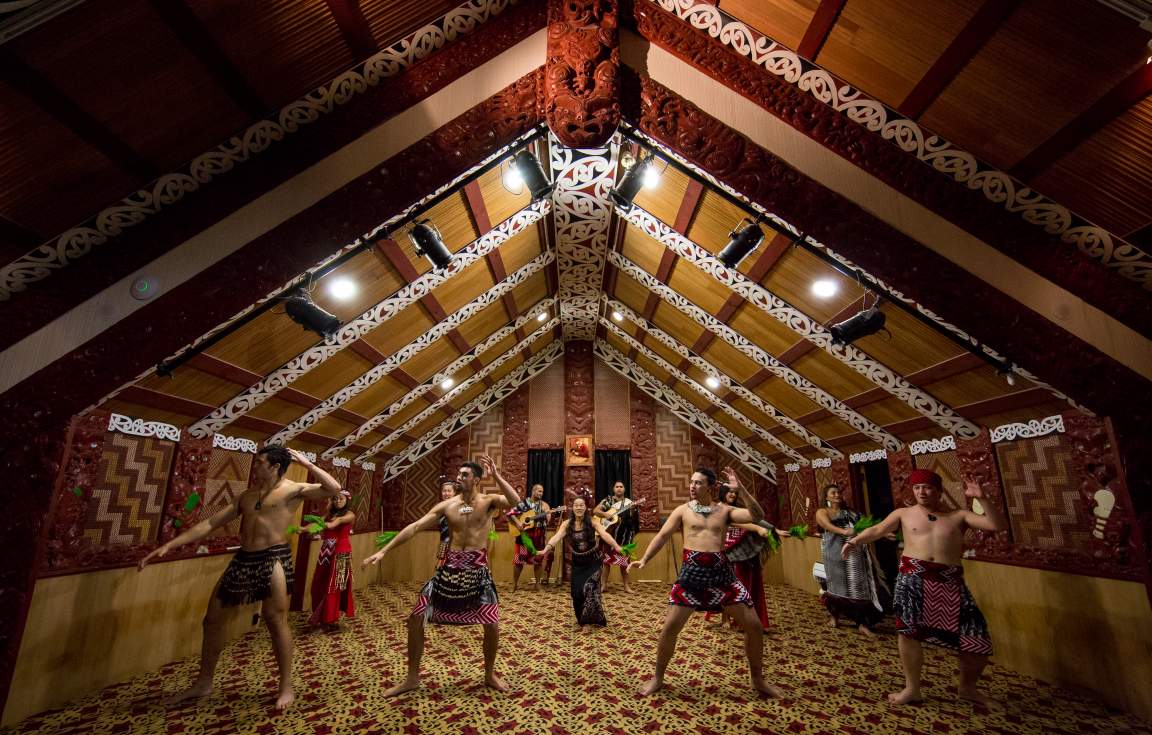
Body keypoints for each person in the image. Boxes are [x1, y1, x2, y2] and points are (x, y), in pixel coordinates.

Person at [138, 445, 342, 711]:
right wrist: (170, 545)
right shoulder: (247, 496)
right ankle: (204, 682)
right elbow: (209, 524)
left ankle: (286, 685)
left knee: (274, 619)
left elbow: (334, 489)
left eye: (259, 462)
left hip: (274, 557)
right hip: (245, 559)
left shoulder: (293, 490)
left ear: (274, 466)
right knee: (211, 620)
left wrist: (308, 463)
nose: (254, 467)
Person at [844, 468, 1004, 706]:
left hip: (950, 581)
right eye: (917, 488)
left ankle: (968, 687)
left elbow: (995, 524)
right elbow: (878, 530)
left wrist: (981, 497)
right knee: (909, 634)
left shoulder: (958, 516)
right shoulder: (904, 514)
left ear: (939, 491)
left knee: (976, 639)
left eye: (927, 487)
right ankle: (912, 688)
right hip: (912, 579)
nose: (922, 492)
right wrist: (855, 541)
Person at [363, 454, 519, 696]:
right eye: (459, 474)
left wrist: (497, 476)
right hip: (449, 568)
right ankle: (412, 678)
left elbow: (515, 500)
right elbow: (414, 527)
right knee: (415, 619)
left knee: (492, 623)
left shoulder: (488, 501)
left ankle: (489, 674)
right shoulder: (448, 505)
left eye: (465, 475)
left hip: (477, 570)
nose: (459, 477)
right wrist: (383, 551)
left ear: (476, 479)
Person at [630, 467, 781, 697]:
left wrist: (742, 491)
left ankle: (757, 680)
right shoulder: (683, 510)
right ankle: (657, 678)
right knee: (669, 629)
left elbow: (757, 515)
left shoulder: (726, 511)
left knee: (754, 627)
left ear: (711, 487)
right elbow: (662, 535)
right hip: (691, 576)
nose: (692, 486)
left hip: (722, 576)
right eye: (691, 482)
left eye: (698, 483)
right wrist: (644, 559)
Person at [540, 496, 623, 631]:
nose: (579, 508)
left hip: (593, 561)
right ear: (573, 508)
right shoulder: (567, 524)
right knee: (577, 592)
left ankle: (587, 622)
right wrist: (546, 548)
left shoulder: (592, 522)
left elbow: (604, 534)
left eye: (581, 505)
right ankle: (584, 619)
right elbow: (557, 536)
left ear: (585, 508)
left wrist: (617, 546)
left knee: (590, 589)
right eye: (576, 505)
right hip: (578, 562)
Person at [711, 484, 784, 633]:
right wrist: (757, 529)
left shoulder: (737, 509)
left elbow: (756, 518)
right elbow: (737, 522)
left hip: (741, 550)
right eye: (729, 492)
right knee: (726, 585)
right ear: (723, 493)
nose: (732, 494)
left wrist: (773, 529)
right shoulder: (718, 508)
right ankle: (725, 618)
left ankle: (746, 620)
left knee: (741, 585)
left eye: (734, 492)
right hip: (724, 550)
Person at [815, 483, 886, 636]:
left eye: (838, 492)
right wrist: (844, 531)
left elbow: (865, 527)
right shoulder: (822, 511)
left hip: (855, 553)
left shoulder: (852, 512)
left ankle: (862, 623)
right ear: (826, 496)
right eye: (833, 493)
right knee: (835, 585)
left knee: (859, 587)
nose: (836, 495)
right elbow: (826, 525)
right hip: (833, 552)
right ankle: (834, 617)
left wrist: (883, 532)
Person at [308, 490, 357, 631]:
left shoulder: (349, 515)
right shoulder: (329, 515)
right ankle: (321, 617)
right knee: (318, 583)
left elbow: (336, 523)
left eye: (341, 499)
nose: (338, 501)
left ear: (347, 500)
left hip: (341, 553)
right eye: (335, 499)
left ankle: (329, 619)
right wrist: (302, 529)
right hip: (325, 552)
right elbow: (317, 525)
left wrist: (326, 524)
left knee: (333, 586)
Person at [594, 481, 642, 593]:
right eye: (617, 487)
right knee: (606, 562)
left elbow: (634, 519)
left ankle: (626, 586)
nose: (619, 488)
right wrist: (606, 514)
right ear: (614, 489)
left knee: (624, 562)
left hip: (625, 537)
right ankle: (603, 585)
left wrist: (634, 509)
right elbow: (596, 511)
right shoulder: (608, 500)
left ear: (624, 489)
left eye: (621, 487)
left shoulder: (629, 502)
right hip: (610, 536)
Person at [508, 483, 553, 592]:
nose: (541, 493)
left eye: (542, 491)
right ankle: (514, 584)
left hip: (539, 538)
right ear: (533, 491)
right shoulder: (524, 504)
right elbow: (510, 514)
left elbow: (548, 521)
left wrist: (548, 515)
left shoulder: (544, 505)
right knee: (519, 561)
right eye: (539, 491)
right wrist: (518, 522)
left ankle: (537, 585)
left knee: (538, 561)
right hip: (524, 538)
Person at [436, 478, 458, 568]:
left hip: (457, 546)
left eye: (449, 491)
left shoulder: (458, 507)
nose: (446, 493)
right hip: (444, 544)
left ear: (454, 493)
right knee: (440, 569)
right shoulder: (439, 508)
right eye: (444, 491)